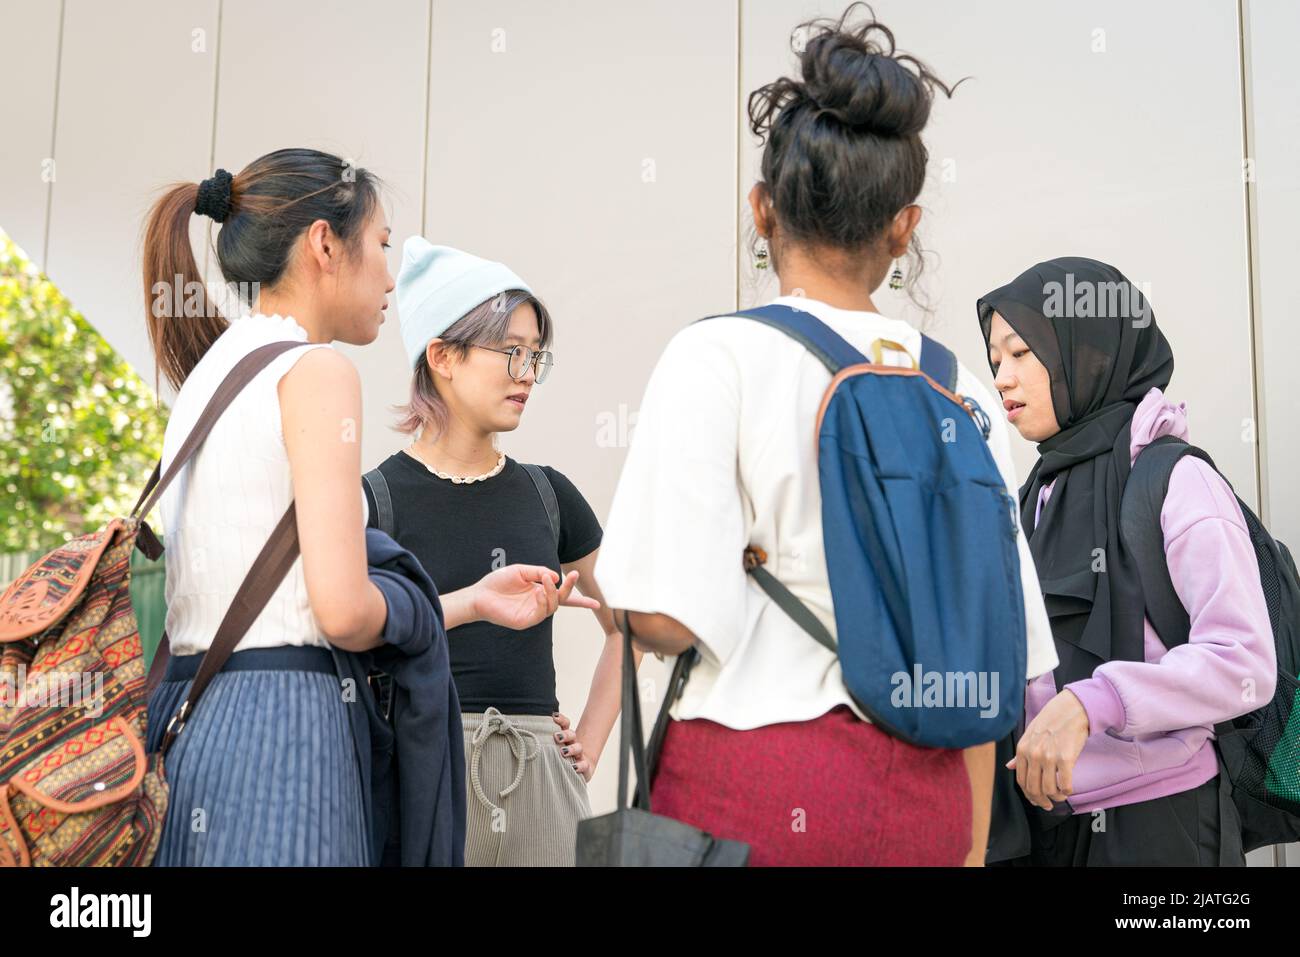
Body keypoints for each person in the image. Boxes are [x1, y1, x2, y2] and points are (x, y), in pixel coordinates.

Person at [593, 4, 1057, 866]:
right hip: (929, 798)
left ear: (762, 210)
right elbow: (994, 646)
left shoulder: (716, 355)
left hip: (749, 792)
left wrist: (611, 585)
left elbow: (660, 616)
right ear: (903, 226)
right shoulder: (958, 389)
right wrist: (963, 845)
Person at [141, 148, 590, 865]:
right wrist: (411, 603)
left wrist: (470, 601)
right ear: (325, 243)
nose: (390, 277)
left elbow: (289, 596)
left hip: (191, 720)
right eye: (380, 246)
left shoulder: (211, 377)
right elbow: (342, 611)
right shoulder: (316, 371)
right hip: (285, 733)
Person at [978, 256, 1275, 866]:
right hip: (1050, 828)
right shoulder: (1037, 495)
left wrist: (1094, 702)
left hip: (1162, 827)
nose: (1002, 377)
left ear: (1087, 351)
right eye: (994, 360)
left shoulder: (1174, 479)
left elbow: (1244, 662)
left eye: (1021, 353)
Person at [362, 237, 632, 866]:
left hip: (541, 781)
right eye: (511, 353)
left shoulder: (549, 494)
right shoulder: (375, 500)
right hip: (423, 768)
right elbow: (350, 636)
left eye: (537, 356)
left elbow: (629, 624)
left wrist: (587, 742)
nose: (527, 375)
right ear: (443, 357)